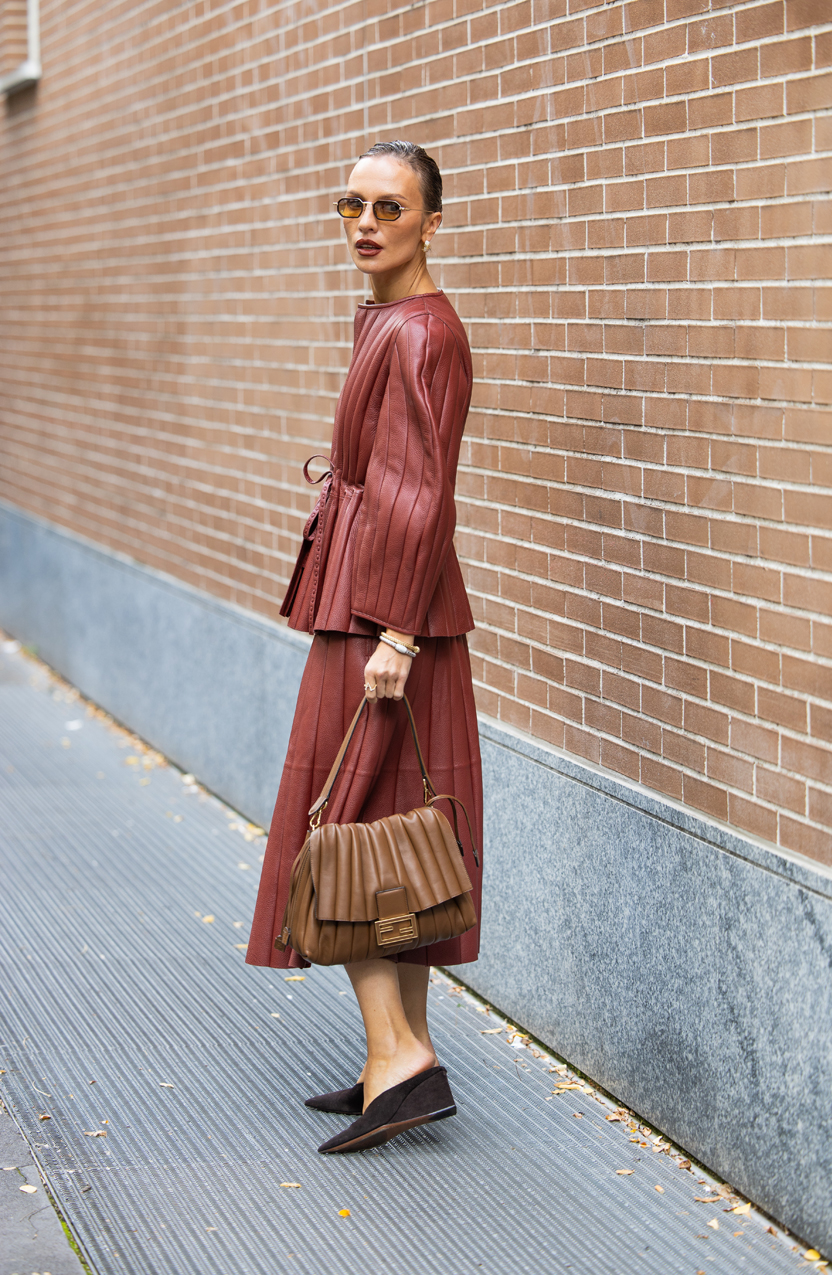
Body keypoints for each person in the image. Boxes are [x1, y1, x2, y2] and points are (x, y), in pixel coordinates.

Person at [246, 140, 482, 1154]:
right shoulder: (392, 319)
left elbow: (421, 491)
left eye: (391, 206)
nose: (366, 221)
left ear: (432, 221)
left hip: (382, 618)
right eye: (351, 204)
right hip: (385, 607)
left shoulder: (421, 334)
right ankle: (403, 1051)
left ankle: (398, 1055)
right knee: (398, 831)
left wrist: (393, 634)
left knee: (340, 829)